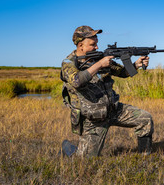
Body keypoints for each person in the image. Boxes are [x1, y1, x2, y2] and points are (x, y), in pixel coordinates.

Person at [60, 25, 154, 157]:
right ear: (81, 45)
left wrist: (135, 65)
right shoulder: (69, 63)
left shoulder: (100, 58)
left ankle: (145, 157)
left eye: (97, 43)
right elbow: (77, 81)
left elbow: (122, 72)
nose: (97, 47)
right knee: (84, 161)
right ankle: (67, 148)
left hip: (113, 109)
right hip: (94, 118)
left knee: (145, 119)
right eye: (93, 44)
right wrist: (99, 65)